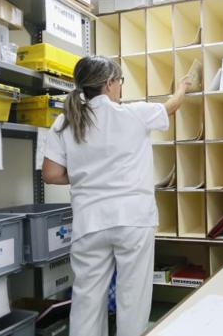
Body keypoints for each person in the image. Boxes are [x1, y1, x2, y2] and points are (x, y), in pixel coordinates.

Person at [42, 56, 191, 336]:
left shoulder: (65, 121)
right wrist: (182, 86)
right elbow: (172, 106)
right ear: (109, 83)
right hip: (133, 220)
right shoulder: (134, 113)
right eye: (119, 82)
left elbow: (50, 174)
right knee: (132, 295)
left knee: (87, 298)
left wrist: (88, 176)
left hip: (89, 222)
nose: (120, 88)